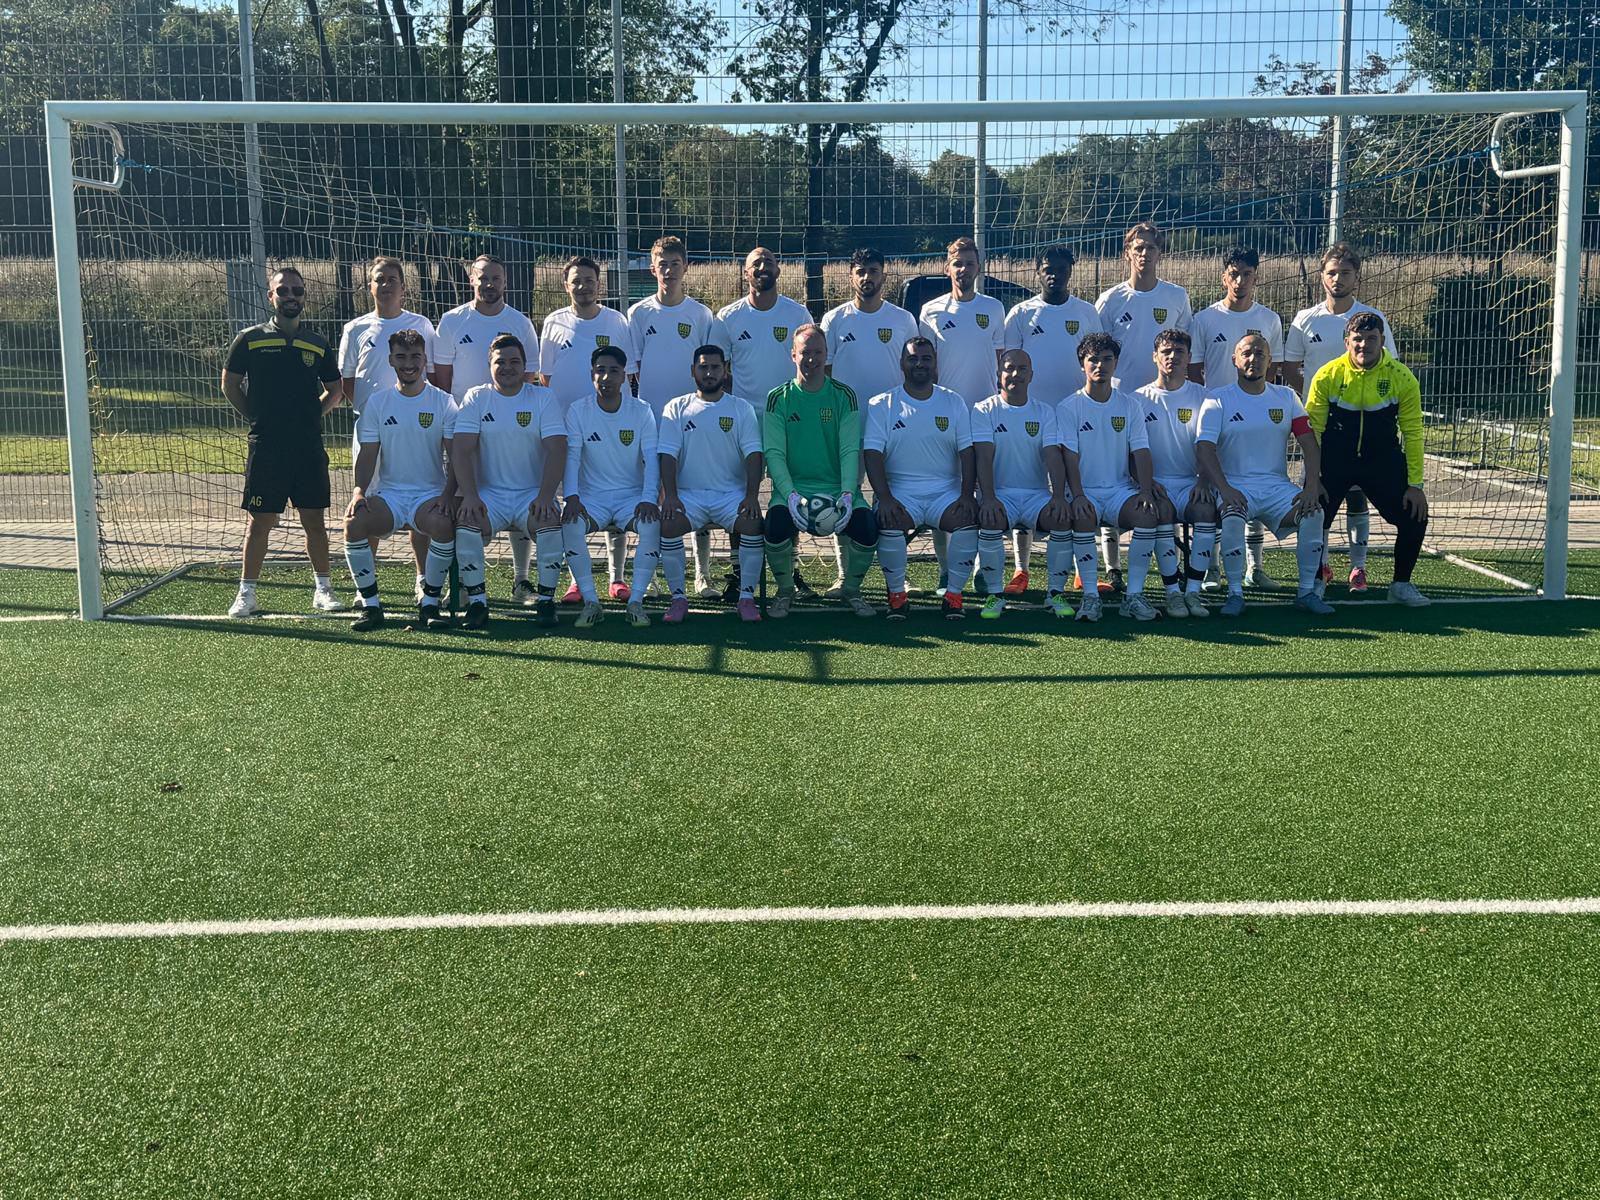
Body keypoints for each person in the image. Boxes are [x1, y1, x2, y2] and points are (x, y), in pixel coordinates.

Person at [222, 266, 343, 618]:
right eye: (284, 290)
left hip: (307, 447)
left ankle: (323, 589)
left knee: (314, 520)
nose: (291, 296)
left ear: (304, 296)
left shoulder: (317, 343)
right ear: (270, 296)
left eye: (297, 291)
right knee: (260, 521)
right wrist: (256, 416)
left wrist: (312, 415)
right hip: (267, 446)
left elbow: (335, 389)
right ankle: (246, 593)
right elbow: (230, 384)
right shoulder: (250, 339)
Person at [1283, 242, 1399, 593]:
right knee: (1317, 494)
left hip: (1359, 422)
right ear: (1322, 277)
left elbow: (1390, 367)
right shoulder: (1305, 319)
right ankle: (1320, 565)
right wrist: (1316, 399)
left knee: (1357, 495)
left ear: (1356, 277)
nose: (1338, 279)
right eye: (1332, 273)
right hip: (1318, 423)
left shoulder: (1372, 318)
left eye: (1345, 273)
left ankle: (1358, 567)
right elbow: (1290, 368)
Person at [1194, 333, 1332, 618]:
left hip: (1277, 488)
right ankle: (1235, 593)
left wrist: (1311, 487)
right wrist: (1225, 488)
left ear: (1270, 361)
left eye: (1260, 354)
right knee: (1233, 516)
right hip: (1235, 486)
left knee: (1313, 513)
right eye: (1246, 353)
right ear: (1234, 359)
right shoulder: (1217, 399)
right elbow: (1205, 449)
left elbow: (1309, 443)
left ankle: (1306, 592)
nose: (1253, 359)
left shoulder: (1286, 397)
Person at [433, 254, 541, 604]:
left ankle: (521, 581)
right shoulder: (452, 321)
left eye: (496, 278)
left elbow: (527, 376)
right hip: (465, 430)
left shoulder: (520, 323)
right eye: (483, 277)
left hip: (511, 428)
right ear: (472, 280)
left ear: (505, 282)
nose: (489, 284)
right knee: (464, 504)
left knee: (517, 493)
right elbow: (443, 382)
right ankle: (464, 585)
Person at [1305, 312, 1432, 607]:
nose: (1364, 345)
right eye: (1358, 339)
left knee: (1416, 515)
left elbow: (1413, 433)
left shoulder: (1402, 377)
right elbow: (1313, 432)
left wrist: (1415, 485)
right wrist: (1312, 480)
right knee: (1313, 516)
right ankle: (1315, 582)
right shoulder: (1327, 375)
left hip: (1382, 462)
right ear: (1347, 342)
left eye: (1371, 338)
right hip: (1335, 462)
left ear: (1382, 341)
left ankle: (1401, 585)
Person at [1093, 222, 1193, 591]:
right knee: (1116, 477)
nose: (1144, 253)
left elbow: (1186, 352)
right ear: (1127, 254)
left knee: (1161, 484)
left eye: (1151, 247)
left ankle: (1180, 568)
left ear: (1159, 253)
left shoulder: (1177, 296)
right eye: (1138, 247)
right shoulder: (1110, 300)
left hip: (1162, 404)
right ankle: (1112, 567)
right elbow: (1097, 354)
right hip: (1119, 406)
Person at [999, 244, 1103, 593]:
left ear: (1071, 271)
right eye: (1048, 269)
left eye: (1061, 268)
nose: (1054, 275)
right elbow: (1009, 363)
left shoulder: (1087, 312)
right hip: (1032, 415)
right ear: (1037, 271)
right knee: (1028, 487)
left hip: (1076, 414)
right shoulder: (1020, 313)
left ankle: (1081, 569)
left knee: (1077, 487)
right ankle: (1021, 569)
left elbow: (1095, 359)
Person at [445, 334, 566, 631]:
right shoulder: (477, 397)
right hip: (490, 495)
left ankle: (546, 602)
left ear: (525, 366)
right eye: (501, 362)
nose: (508, 367)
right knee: (467, 524)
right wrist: (470, 495)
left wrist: (546, 496)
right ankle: (477, 603)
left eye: (515, 361)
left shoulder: (543, 398)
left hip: (532, 494)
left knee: (550, 521)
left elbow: (557, 449)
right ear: (490, 365)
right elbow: (461, 450)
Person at [818, 247, 918, 598]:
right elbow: (825, 377)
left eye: (873, 271)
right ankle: (844, 576)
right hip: (846, 426)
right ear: (851, 276)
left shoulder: (903, 320)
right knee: (844, 496)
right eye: (860, 271)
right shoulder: (834, 320)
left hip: (893, 426)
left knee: (895, 497)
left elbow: (912, 371)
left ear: (884, 276)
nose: (866, 277)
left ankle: (899, 577)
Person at [711, 247, 810, 600]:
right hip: (744, 421)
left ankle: (790, 570)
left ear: (779, 270)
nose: (762, 267)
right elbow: (720, 374)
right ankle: (739, 573)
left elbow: (808, 366)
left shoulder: (797, 313)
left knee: (789, 493)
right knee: (741, 495)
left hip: (787, 419)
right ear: (745, 273)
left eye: (768, 261)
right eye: (755, 263)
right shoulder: (727, 317)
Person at [341, 329, 456, 632]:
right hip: (390, 496)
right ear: (391, 360)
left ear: (424, 359)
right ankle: (371, 606)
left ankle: (429, 604)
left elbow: (456, 456)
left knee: (443, 524)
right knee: (354, 523)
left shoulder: (443, 402)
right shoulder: (377, 403)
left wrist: (448, 495)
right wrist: (359, 492)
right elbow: (368, 455)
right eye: (401, 357)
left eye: (415, 356)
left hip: (428, 495)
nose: (409, 363)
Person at [537, 255, 637, 605]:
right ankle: (576, 579)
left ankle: (617, 577)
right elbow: (545, 377)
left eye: (589, 280)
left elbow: (629, 373)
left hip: (610, 425)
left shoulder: (617, 321)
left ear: (600, 285)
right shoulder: (554, 322)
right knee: (573, 500)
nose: (583, 286)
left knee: (615, 491)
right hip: (568, 428)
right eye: (576, 281)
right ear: (566, 285)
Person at [1188, 245, 1288, 592]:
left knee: (1255, 483)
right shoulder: (1204, 319)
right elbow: (1195, 372)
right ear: (1223, 278)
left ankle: (1255, 567)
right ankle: (1212, 568)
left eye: (1247, 274)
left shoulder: (1270, 320)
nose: (1240, 281)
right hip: (1216, 418)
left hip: (1255, 420)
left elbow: (1273, 371)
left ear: (1256, 278)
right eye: (1234, 274)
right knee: (1218, 489)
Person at [627, 235, 722, 600]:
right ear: (653, 269)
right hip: (652, 421)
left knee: (694, 492)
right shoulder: (639, 313)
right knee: (652, 496)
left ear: (686, 267)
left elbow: (708, 368)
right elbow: (634, 371)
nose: (668, 271)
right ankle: (650, 575)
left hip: (692, 419)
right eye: (662, 265)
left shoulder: (701, 314)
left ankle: (702, 575)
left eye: (675, 264)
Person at [762, 324, 879, 618]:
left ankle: (851, 590)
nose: (812, 359)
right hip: (794, 491)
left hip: (838, 489)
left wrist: (848, 493)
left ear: (827, 355)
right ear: (793, 355)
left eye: (818, 352)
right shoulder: (778, 398)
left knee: (867, 528)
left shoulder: (844, 396)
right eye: (805, 352)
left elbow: (849, 450)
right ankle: (785, 591)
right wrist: (789, 495)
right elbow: (774, 453)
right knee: (774, 527)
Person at [337, 256, 437, 598]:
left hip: (415, 431)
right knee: (368, 502)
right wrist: (375, 415)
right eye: (379, 279)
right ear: (370, 287)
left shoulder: (421, 324)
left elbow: (431, 375)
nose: (385, 285)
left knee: (418, 498)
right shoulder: (355, 328)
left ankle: (423, 579)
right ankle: (366, 583)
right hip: (371, 433)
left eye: (392, 279)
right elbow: (348, 382)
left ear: (403, 287)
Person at [863, 337, 979, 620]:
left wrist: (967, 495)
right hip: (900, 493)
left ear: (935, 363)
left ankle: (954, 595)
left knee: (967, 518)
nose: (919, 364)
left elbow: (967, 453)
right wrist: (885, 498)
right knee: (889, 520)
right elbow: (872, 454)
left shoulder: (953, 401)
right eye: (913, 358)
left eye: (926, 359)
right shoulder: (881, 403)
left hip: (945, 492)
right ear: (902, 363)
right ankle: (897, 596)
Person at [917, 237, 1006, 597]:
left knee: (985, 490)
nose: (963, 270)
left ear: (978, 268)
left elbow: (1000, 364)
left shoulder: (994, 308)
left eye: (969, 263)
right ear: (947, 268)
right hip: (945, 415)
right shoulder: (931, 311)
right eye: (958, 264)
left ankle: (984, 569)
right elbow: (926, 366)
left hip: (984, 416)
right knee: (947, 489)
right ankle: (945, 570)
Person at [1057, 333, 1161, 622]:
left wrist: (1145, 490)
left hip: (1119, 491)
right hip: (1084, 490)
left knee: (1147, 515)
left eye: (1107, 359)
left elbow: (1141, 451)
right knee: (1083, 517)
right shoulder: (1068, 407)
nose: (1100, 365)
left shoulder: (1130, 405)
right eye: (1093, 360)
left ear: (1116, 363)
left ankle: (1133, 596)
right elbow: (1069, 457)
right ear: (1082, 364)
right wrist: (1078, 495)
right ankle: (1090, 597)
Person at [657, 346, 766, 623]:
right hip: (689, 497)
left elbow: (754, 455)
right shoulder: (676, 407)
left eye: (715, 367)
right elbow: (667, 455)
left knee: (753, 522)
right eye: (703, 367)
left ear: (725, 370)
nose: (709, 373)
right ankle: (678, 599)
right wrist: (671, 496)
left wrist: (751, 496)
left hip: (730, 496)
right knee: (668, 524)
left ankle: (746, 598)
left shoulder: (741, 408)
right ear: (693, 371)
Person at [560, 345, 661, 629]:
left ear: (625, 376)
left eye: (613, 371)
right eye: (600, 370)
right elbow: (572, 457)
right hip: (592, 499)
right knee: (570, 525)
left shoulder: (641, 410)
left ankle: (636, 602)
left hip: (632, 499)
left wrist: (649, 498)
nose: (606, 377)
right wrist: (571, 497)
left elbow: (651, 458)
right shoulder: (578, 410)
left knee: (652, 525)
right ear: (591, 374)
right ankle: (591, 602)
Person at [971, 349, 1075, 620]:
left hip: (1035, 496)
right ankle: (995, 595)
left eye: (1022, 369)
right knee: (991, 519)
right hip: (1000, 495)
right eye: (1009, 368)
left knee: (1061, 518)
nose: (1015, 374)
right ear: (998, 373)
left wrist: (1058, 497)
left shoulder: (1045, 411)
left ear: (1031, 376)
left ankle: (1055, 593)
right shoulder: (983, 409)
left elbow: (1053, 456)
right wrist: (988, 498)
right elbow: (983, 457)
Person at [1136, 330, 1215, 618]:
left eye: (1179, 351)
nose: (1172, 356)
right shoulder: (1137, 399)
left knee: (1205, 510)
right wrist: (1146, 483)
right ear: (1154, 357)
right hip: (1156, 486)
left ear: (1189, 357)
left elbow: (1212, 445)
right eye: (1166, 351)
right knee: (1161, 512)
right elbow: (1131, 451)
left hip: (1193, 484)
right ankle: (1172, 593)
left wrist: (1204, 480)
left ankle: (1193, 591)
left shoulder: (1205, 397)